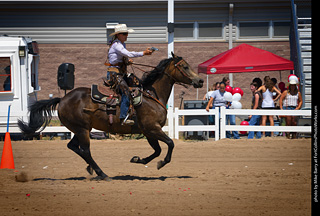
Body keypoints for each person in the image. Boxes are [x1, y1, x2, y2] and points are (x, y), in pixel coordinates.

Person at [106, 24, 153, 125]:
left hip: (119, 72)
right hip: (114, 74)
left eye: (127, 33)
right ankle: (123, 117)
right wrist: (143, 53)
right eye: (124, 34)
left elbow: (122, 58)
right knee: (126, 91)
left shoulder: (121, 44)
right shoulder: (117, 45)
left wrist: (127, 61)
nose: (126, 35)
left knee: (137, 85)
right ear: (118, 35)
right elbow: (128, 54)